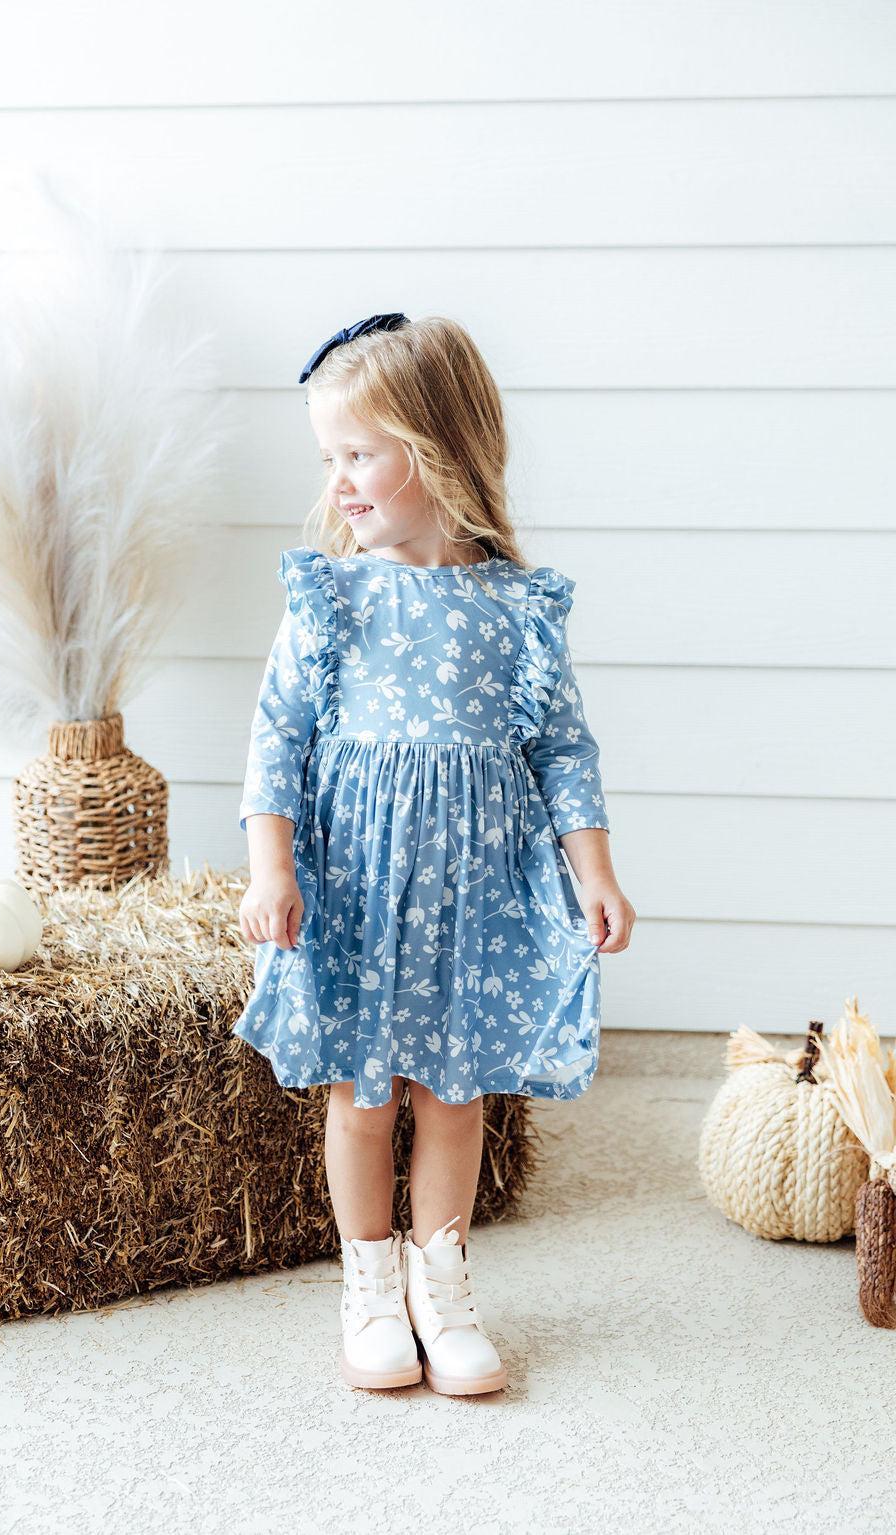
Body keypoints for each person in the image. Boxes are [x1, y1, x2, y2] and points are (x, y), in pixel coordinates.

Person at [235, 312, 635, 1396]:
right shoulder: (331, 594)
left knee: (453, 1095)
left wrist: (591, 866)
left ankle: (440, 1284)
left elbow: (559, 744)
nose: (339, 482)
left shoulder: (515, 607)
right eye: (330, 458)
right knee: (363, 1099)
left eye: (359, 453)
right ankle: (369, 1289)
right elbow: (277, 734)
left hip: (473, 889)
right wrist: (272, 865)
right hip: (356, 886)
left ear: (440, 446)